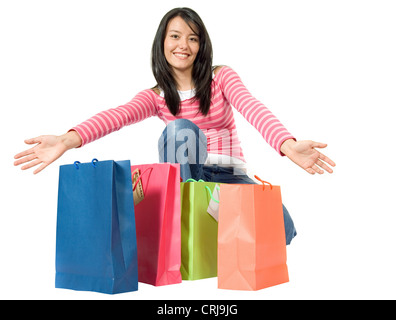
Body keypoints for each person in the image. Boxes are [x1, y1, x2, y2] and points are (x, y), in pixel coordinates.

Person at [14, 7, 335, 245]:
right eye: (175, 36)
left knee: (284, 230)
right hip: (186, 176)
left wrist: (287, 144)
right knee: (180, 129)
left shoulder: (221, 76)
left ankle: (212, 212)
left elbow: (252, 107)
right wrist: (67, 140)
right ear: (162, 43)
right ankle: (186, 204)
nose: (184, 44)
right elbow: (116, 116)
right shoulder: (155, 97)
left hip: (228, 176)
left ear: (201, 45)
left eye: (193, 38)